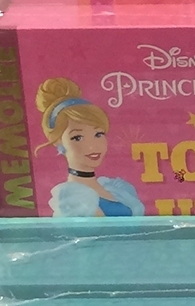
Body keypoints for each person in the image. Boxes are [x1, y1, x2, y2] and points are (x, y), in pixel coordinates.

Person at [35, 77, 145, 216]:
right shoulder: (71, 199)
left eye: (98, 134)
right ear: (58, 141)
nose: (92, 146)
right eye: (77, 137)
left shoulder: (118, 189)